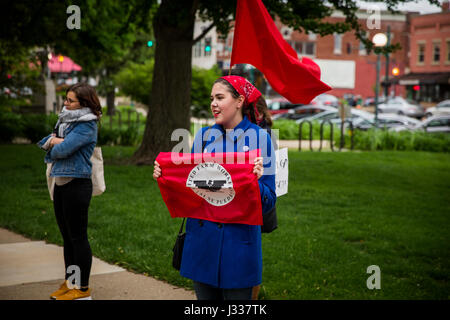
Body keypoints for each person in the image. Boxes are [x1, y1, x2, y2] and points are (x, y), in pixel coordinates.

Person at [153, 76, 276, 300]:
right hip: (202, 242)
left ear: (239, 101)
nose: (213, 104)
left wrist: (256, 180)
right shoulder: (203, 137)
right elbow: (190, 185)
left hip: (238, 247)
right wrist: (166, 176)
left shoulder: (261, 139)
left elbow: (269, 202)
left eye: (220, 97)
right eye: (212, 98)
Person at [37, 83, 102, 300]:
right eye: (66, 99)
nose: (65, 103)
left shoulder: (87, 124)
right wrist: (55, 142)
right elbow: (45, 141)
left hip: (77, 184)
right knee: (67, 237)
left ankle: (82, 288)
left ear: (83, 103)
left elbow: (61, 149)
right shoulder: (66, 119)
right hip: (62, 182)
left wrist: (55, 142)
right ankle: (71, 282)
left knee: (78, 237)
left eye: (70, 101)